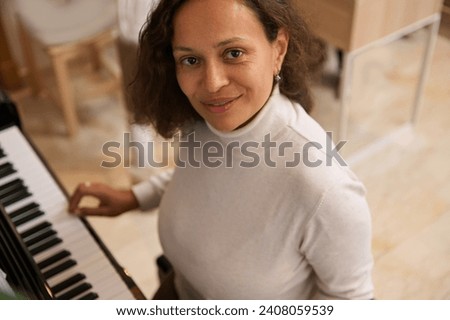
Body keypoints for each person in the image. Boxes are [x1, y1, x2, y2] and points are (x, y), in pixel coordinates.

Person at [69, 0, 374, 300]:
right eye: (190, 60)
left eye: (233, 53)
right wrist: (136, 197)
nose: (212, 84)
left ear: (278, 49)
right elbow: (201, 179)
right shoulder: (203, 121)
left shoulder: (325, 189)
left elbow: (352, 300)